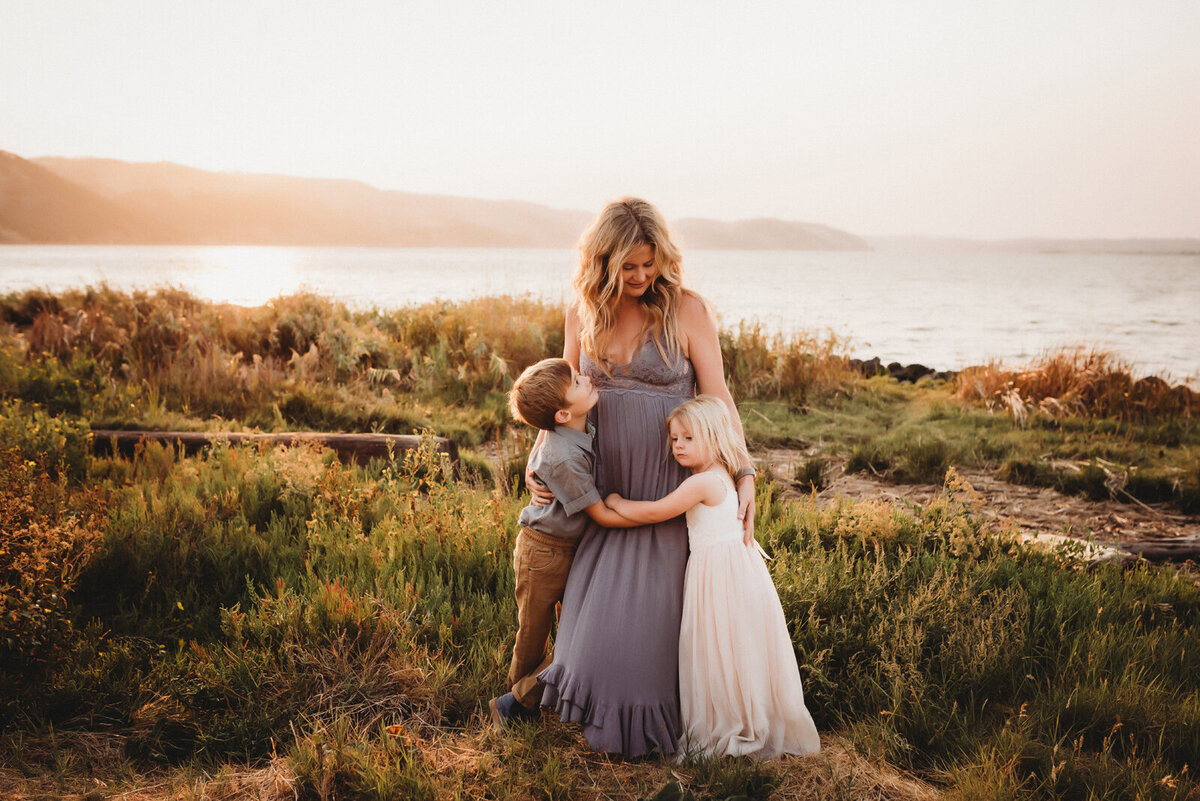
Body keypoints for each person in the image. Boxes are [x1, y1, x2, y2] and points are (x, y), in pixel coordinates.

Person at [531, 198, 758, 758]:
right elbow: (560, 394)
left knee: (646, 646)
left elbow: (717, 396)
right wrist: (540, 464)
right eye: (626, 267)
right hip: (606, 493)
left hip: (668, 490)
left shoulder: (688, 310)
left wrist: (744, 468)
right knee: (592, 649)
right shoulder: (581, 312)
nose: (639, 277)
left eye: (648, 264)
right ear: (602, 262)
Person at [606, 396, 821, 759]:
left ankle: (729, 722)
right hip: (739, 570)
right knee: (740, 647)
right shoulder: (722, 471)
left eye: (689, 438)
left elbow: (657, 511)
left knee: (716, 644)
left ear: (714, 436)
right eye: (674, 439)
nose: (678, 446)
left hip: (718, 574)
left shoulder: (703, 482)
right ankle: (748, 712)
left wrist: (613, 501)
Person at [491, 357, 639, 728]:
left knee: (572, 628)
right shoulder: (564, 457)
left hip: (569, 548)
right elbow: (602, 514)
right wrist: (654, 512)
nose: (586, 377)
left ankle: (522, 699)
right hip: (542, 550)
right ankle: (516, 705)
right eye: (576, 381)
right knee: (533, 630)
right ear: (561, 415)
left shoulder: (579, 431)